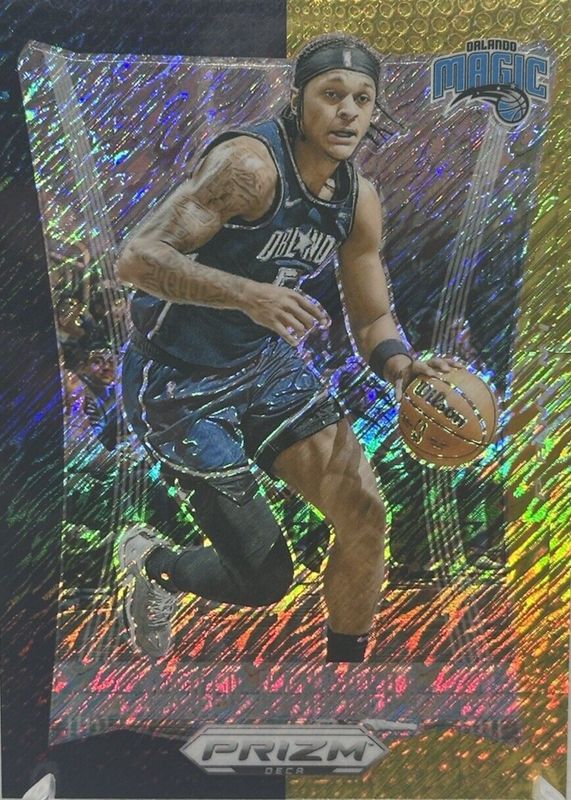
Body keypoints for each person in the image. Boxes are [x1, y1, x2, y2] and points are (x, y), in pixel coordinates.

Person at [115, 32, 453, 662]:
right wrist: (247, 294)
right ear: (298, 102)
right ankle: (154, 563)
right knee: (265, 580)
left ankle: (345, 675)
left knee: (364, 515)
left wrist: (404, 367)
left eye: (362, 99)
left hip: (262, 365)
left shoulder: (358, 200)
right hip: (177, 381)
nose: (348, 111)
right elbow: (136, 258)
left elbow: (372, 315)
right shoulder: (248, 168)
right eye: (332, 95)